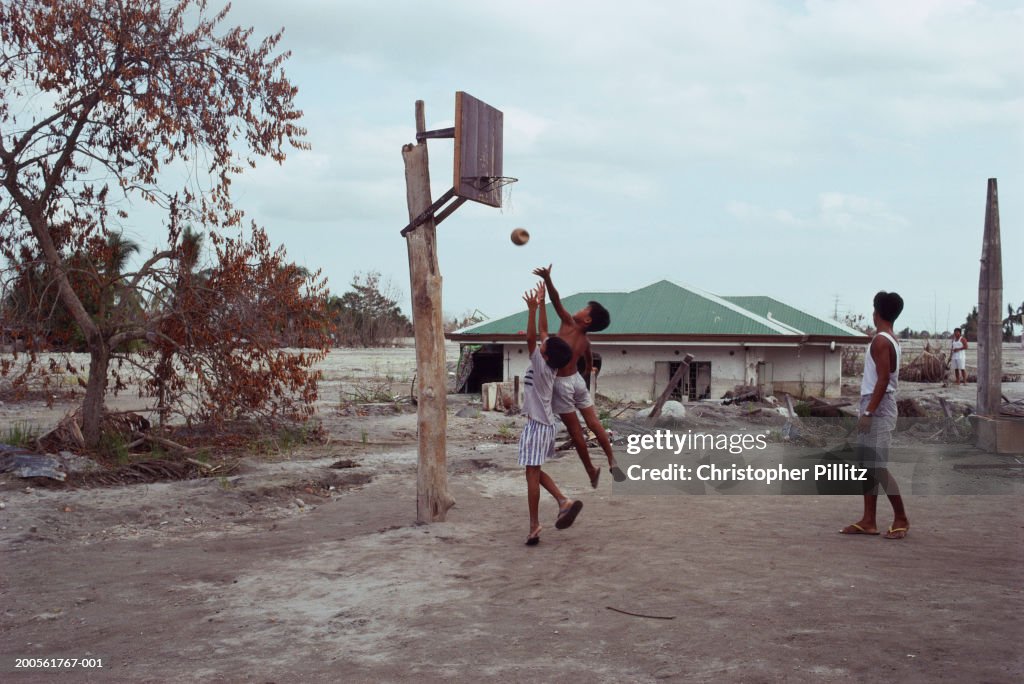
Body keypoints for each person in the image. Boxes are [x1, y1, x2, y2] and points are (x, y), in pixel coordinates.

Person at [532, 264, 624, 485]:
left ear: (587, 320)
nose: (579, 309)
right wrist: (590, 371)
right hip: (577, 381)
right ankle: (612, 460)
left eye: (584, 309)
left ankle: (591, 470)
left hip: (562, 383)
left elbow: (556, 301)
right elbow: (590, 359)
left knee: (576, 432)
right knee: (594, 423)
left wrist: (548, 280)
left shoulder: (568, 322)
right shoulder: (586, 341)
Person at [840, 291, 910, 540]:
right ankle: (868, 520)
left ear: (876, 313)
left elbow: (883, 380)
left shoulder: (882, 341)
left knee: (877, 466)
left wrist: (869, 412)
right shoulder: (888, 338)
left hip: (878, 405)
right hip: (874, 402)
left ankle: (901, 517)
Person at [517, 283, 583, 546]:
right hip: (545, 425)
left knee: (531, 476)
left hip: (538, 426)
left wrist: (532, 310)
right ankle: (563, 501)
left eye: (545, 345)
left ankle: (535, 525)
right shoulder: (550, 361)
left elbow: (533, 337)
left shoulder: (541, 364)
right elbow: (543, 333)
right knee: (532, 471)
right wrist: (542, 304)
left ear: (545, 354)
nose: (545, 342)